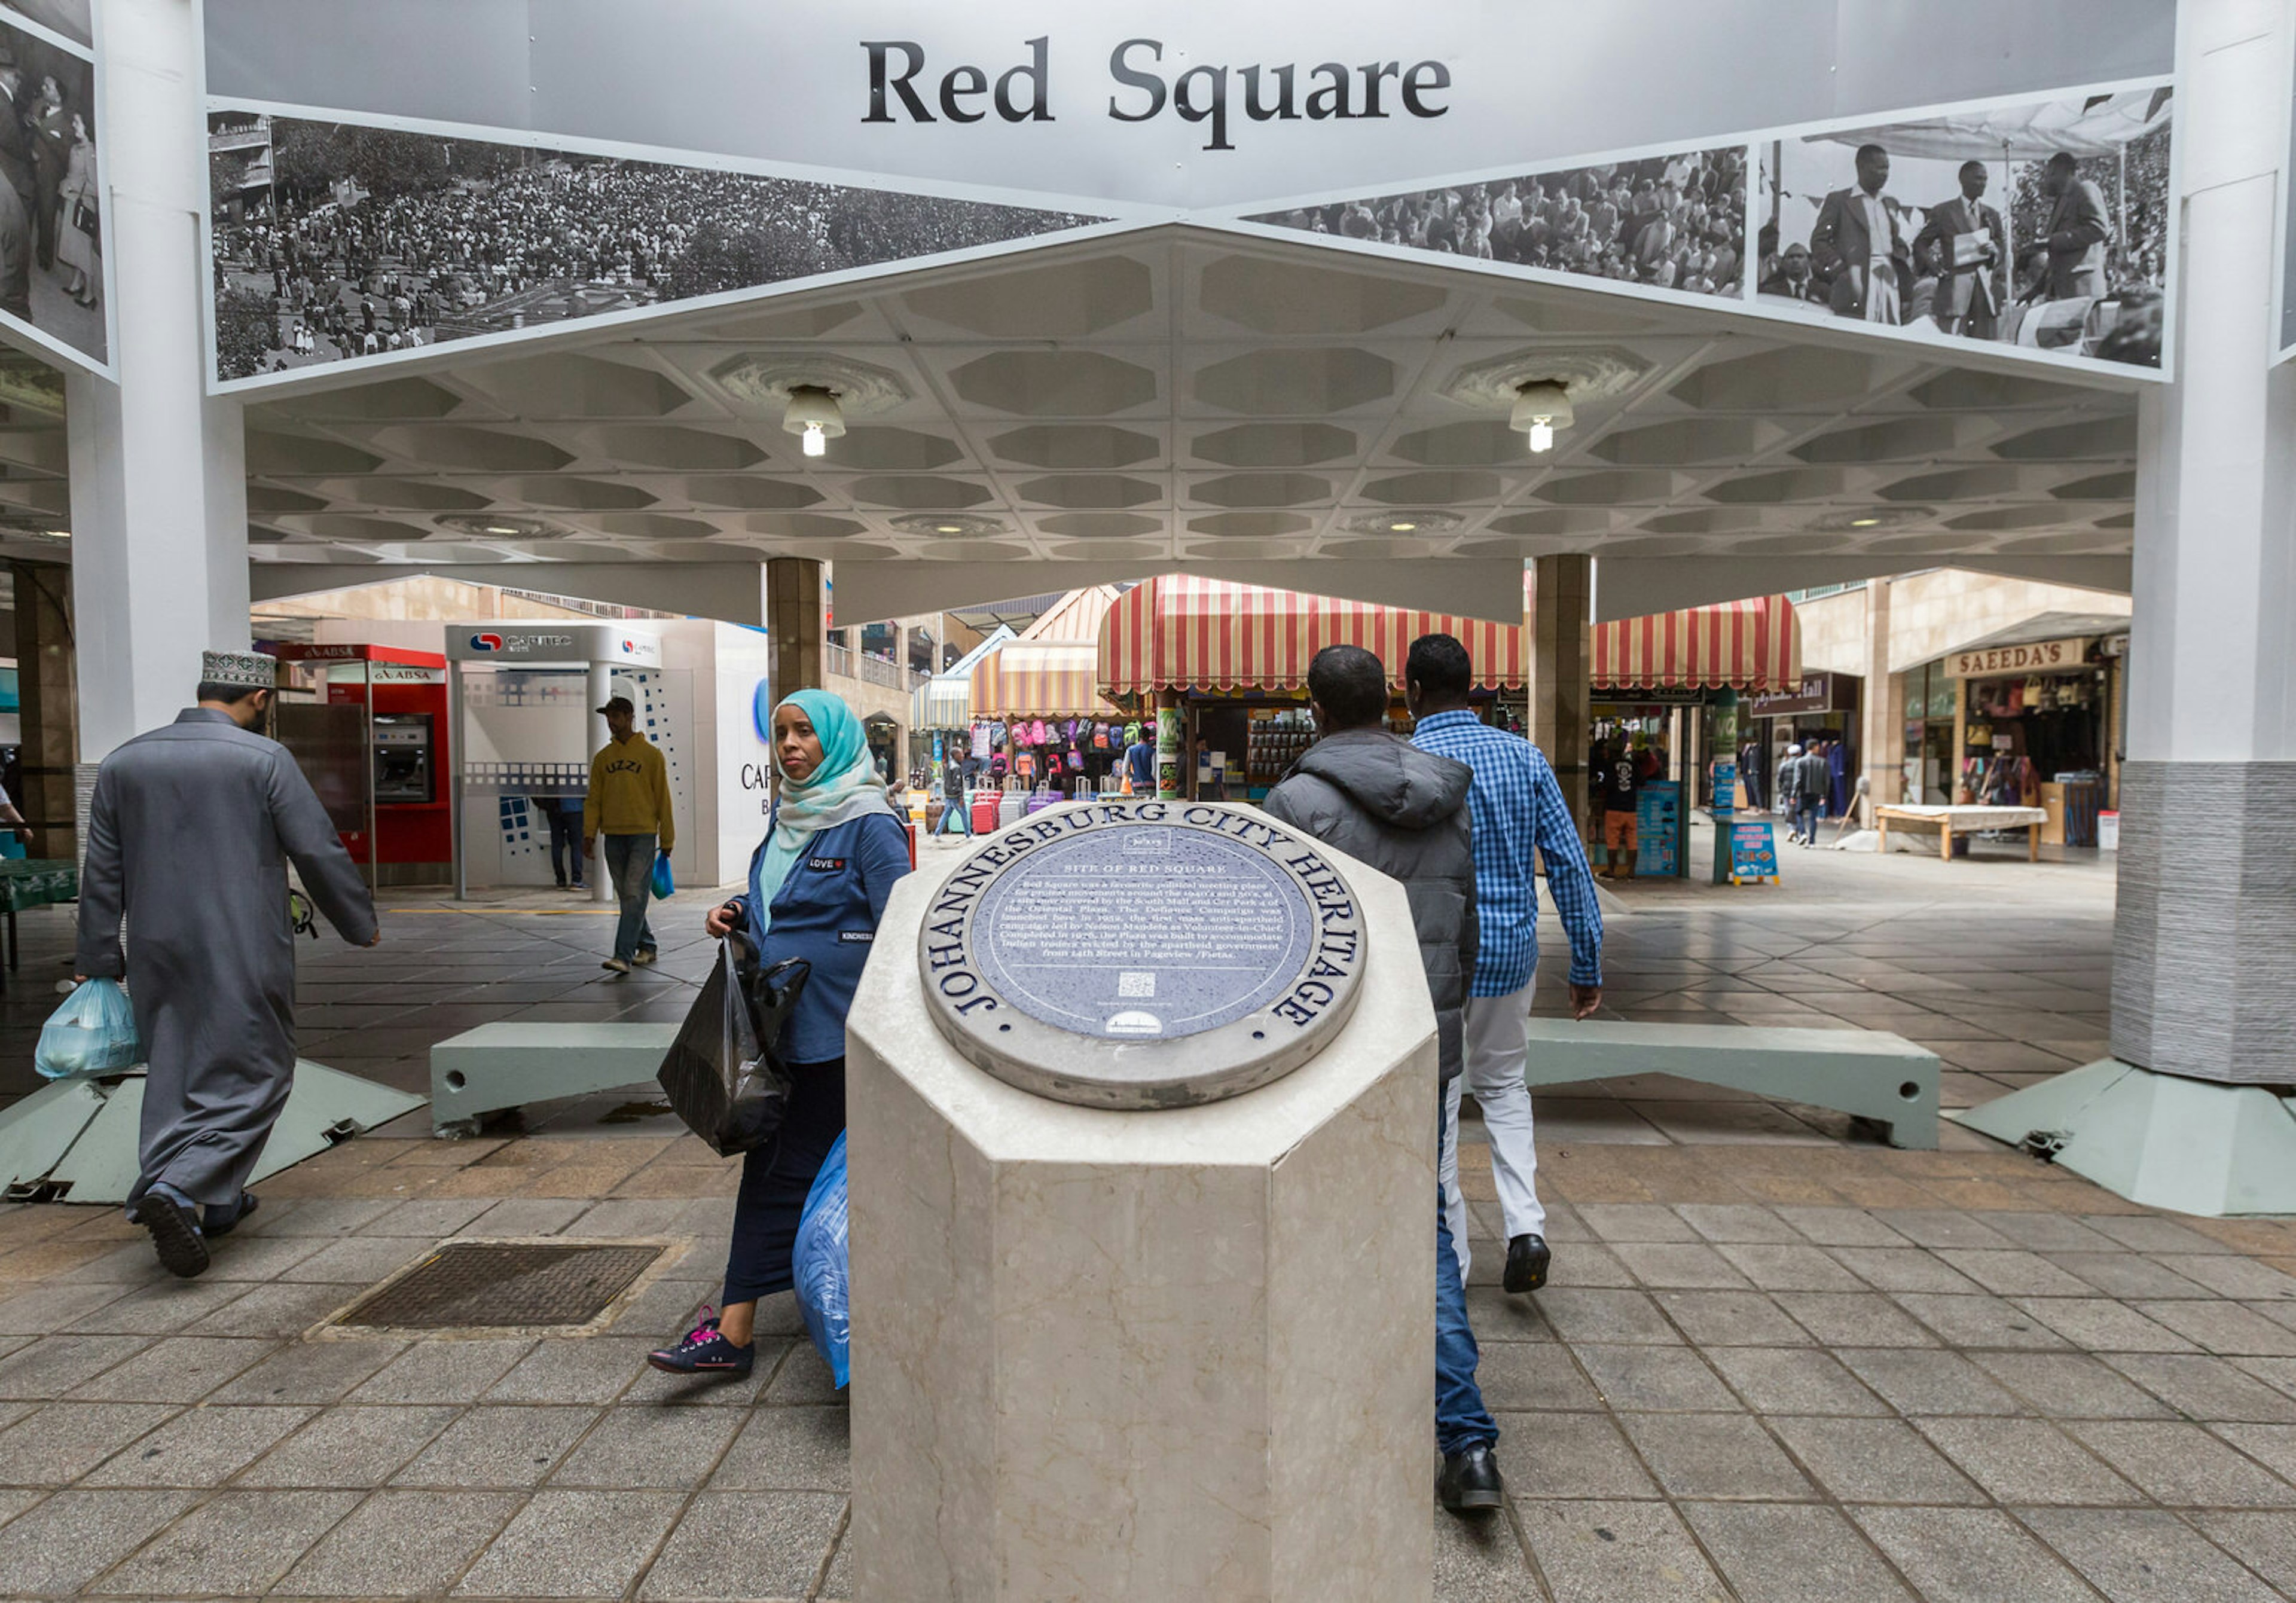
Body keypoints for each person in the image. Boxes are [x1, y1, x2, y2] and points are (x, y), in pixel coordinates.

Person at [1259, 643, 1500, 1516]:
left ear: (1315, 710)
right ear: (1389, 702)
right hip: (1420, 1047)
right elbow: (1464, 930)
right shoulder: (1448, 790)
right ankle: (1464, 1443)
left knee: (1302, 1216)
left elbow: (1279, 947)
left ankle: (1322, 1399)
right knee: (1420, 1226)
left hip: (1329, 1054)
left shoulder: (1297, 802)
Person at [74, 650, 379, 1278]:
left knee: (175, 1069)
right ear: (260, 700)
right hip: (240, 941)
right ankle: (179, 1188)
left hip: (157, 946)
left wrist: (100, 957)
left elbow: (100, 872)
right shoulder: (263, 758)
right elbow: (315, 846)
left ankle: (213, 1204)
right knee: (261, 1068)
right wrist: (358, 922)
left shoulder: (124, 762)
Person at [648, 689, 909, 1379]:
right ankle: (758, 1319)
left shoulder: (869, 823)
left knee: (780, 1165)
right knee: (791, 1167)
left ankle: (737, 1330)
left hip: (837, 1029)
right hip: (781, 1028)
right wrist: (738, 912)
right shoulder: (790, 816)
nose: (791, 745)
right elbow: (775, 896)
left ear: (838, 740)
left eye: (805, 733)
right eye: (783, 733)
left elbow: (901, 927)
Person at [1406, 634, 1604, 1304]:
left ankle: (1454, 1258)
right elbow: (1571, 864)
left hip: (1431, 959)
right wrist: (1588, 959)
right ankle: (1525, 1227)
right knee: (1506, 1086)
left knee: (1441, 1095)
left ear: (1409, 692)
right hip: (1511, 953)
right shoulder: (1525, 758)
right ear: (1475, 688)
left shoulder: (1407, 763)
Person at [581, 694, 674, 973]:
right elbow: (594, 799)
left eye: (616, 716)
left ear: (629, 716)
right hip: (613, 836)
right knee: (629, 897)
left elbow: (663, 799)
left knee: (633, 895)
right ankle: (647, 946)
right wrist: (589, 834)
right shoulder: (603, 759)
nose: (611, 722)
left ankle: (622, 955)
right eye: (608, 716)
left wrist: (667, 838)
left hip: (643, 835)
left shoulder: (651, 756)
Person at [1810, 143, 1910, 323]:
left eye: (1887, 168)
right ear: (1862, 167)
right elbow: (1819, 241)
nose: (1885, 173)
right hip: (1857, 277)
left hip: (1888, 277)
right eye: (1879, 167)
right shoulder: (1840, 200)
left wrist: (1901, 254)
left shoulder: (1891, 202)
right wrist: (1840, 267)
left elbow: (1896, 240)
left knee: (1889, 330)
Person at [1913, 160, 2006, 338]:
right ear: (1963, 180)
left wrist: (1996, 250)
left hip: (1985, 291)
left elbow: (2002, 247)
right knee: (1951, 342)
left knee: (1985, 344)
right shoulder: (1944, 212)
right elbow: (1920, 244)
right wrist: (1934, 268)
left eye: (1985, 179)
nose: (1983, 184)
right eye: (1978, 178)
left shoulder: (1992, 214)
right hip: (1954, 291)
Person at [2036, 151, 2109, 301]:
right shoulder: (2062, 200)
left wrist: (2053, 240)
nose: (2046, 181)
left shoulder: (2086, 189)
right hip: (2065, 291)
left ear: (2061, 172)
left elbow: (2099, 229)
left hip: (2083, 290)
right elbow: (2058, 257)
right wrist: (2038, 288)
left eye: (2049, 175)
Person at [54, 112, 95, 309]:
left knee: (84, 252)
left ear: (88, 127)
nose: (74, 125)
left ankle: (90, 295)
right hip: (72, 201)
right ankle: (76, 283)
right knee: (76, 248)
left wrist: (74, 187)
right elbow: (73, 174)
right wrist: (66, 183)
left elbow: (96, 187)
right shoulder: (76, 147)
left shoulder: (91, 151)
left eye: (78, 123)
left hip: (84, 206)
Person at [1595, 740, 1642, 880]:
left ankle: (1611, 871)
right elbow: (1643, 781)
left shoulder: (1610, 765)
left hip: (1614, 807)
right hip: (1631, 808)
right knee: (1632, 840)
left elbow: (1605, 785)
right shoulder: (1633, 765)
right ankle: (1631, 872)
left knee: (1613, 840)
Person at [530, 794, 583, 890]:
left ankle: (560, 880)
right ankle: (577, 880)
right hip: (575, 807)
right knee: (576, 845)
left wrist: (543, 805)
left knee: (557, 845)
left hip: (553, 809)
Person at [1784, 743, 1822, 847]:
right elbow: (1825, 780)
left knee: (1799, 813)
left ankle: (1803, 833)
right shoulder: (1822, 762)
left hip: (1803, 793)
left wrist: (1793, 795)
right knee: (1813, 817)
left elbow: (1798, 780)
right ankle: (1812, 841)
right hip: (1816, 793)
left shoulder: (1799, 762)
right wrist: (1824, 795)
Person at [1123, 725, 1156, 795]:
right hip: (1150, 786)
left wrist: (1133, 778)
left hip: (1136, 785)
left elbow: (1125, 770)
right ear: (1149, 737)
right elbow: (1154, 772)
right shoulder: (1152, 751)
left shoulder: (1130, 750)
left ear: (1139, 737)